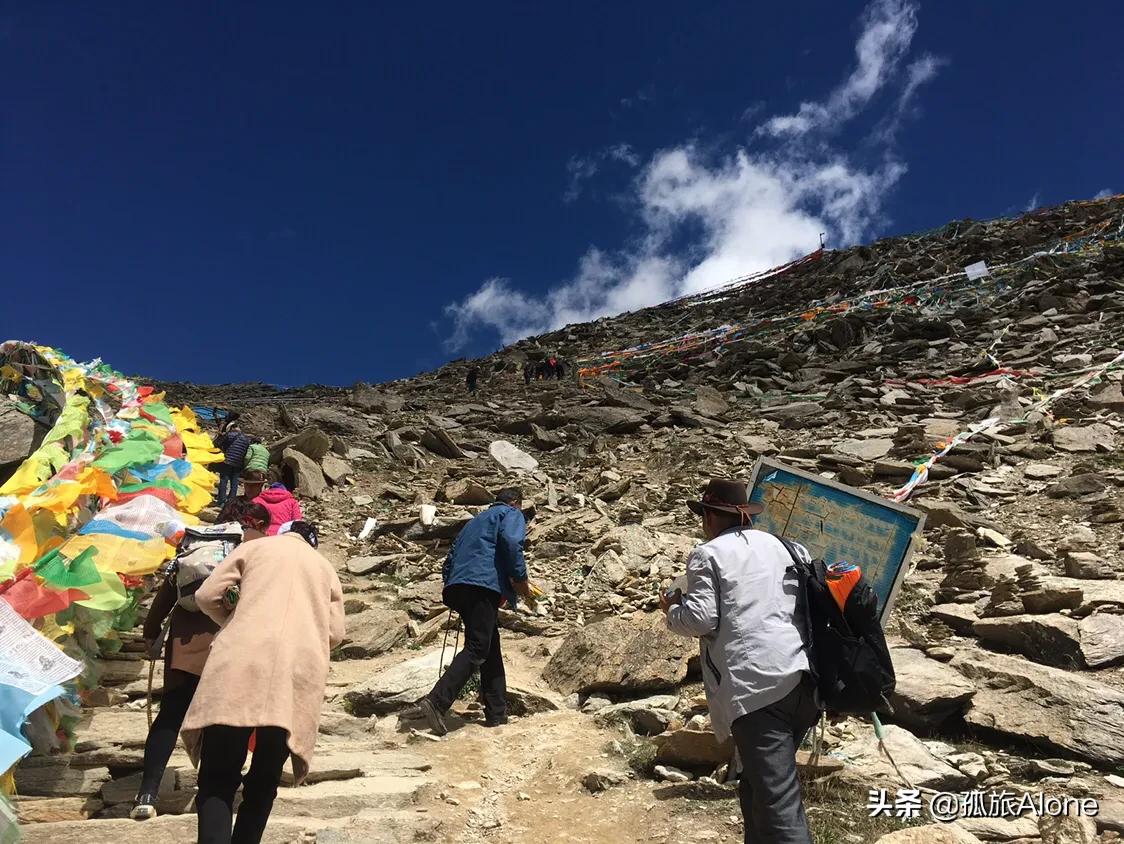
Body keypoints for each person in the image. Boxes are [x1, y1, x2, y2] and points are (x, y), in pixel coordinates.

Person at [660, 479, 818, 844]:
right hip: (804, 680)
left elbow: (701, 620)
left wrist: (671, 611)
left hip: (758, 687)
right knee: (757, 784)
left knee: (776, 797)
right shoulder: (789, 547)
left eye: (703, 514)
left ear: (712, 517)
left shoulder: (708, 554)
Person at [181, 522, 345, 844]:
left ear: (283, 532)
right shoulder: (326, 569)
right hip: (294, 678)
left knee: (217, 779)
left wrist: (233, 620)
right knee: (264, 781)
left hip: (239, 666)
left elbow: (206, 595)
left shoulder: (254, 548)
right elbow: (335, 633)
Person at [131, 500, 270, 821]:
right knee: (222, 718)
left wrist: (151, 635)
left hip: (183, 644)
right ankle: (213, 790)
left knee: (170, 715)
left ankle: (147, 793)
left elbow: (166, 597)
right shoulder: (251, 548)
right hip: (229, 643)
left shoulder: (193, 545)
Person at [401, 488, 531, 735]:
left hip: (459, 586)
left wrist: (453, 583)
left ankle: (496, 712)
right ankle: (436, 702)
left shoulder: (473, 523)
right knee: (479, 647)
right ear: (515, 503)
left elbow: (449, 558)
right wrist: (520, 580)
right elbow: (512, 543)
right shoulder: (511, 514)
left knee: (490, 647)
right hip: (483, 585)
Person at [212, 423, 251, 507]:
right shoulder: (246, 438)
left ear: (231, 428)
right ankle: (231, 502)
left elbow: (218, 444)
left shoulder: (229, 435)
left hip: (228, 461)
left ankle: (221, 501)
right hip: (239, 463)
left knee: (224, 480)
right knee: (235, 482)